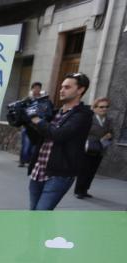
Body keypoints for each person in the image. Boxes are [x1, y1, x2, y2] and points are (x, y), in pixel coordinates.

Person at [24, 73, 93, 211]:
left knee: (41, 213)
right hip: (39, 170)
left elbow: (59, 135)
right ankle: (38, 233)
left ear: (80, 90)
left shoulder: (83, 115)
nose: (62, 90)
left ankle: (42, 233)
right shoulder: (54, 113)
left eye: (67, 87)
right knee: (34, 213)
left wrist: (37, 120)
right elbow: (37, 139)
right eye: (62, 86)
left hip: (59, 175)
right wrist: (27, 122)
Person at [74, 97, 113, 199]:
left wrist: (109, 135)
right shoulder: (89, 118)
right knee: (84, 170)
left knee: (92, 170)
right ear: (95, 108)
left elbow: (112, 132)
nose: (104, 109)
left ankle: (85, 190)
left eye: (106, 107)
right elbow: (81, 132)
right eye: (101, 107)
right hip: (88, 147)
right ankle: (79, 190)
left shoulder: (108, 120)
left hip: (100, 148)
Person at [19, 82, 50, 168]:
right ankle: (22, 161)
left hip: (38, 125)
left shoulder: (43, 99)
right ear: (32, 89)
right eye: (35, 87)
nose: (37, 89)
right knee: (26, 144)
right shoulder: (28, 99)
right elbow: (22, 110)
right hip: (28, 125)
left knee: (35, 145)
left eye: (38, 88)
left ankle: (31, 161)